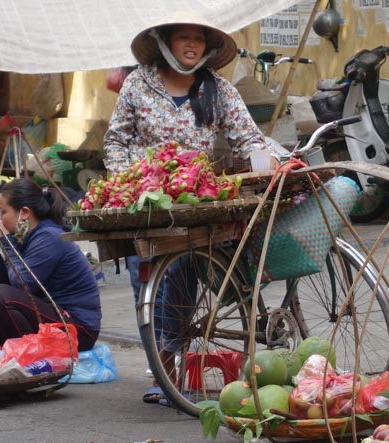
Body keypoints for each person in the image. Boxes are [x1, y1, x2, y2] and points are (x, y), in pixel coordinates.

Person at [102, 10, 273, 404]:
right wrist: (126, 182)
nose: (192, 45)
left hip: (191, 201)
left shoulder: (218, 89)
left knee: (179, 277)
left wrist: (266, 158)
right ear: (165, 43)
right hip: (142, 203)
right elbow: (116, 141)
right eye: (183, 37)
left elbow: (248, 137)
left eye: (199, 38)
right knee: (142, 280)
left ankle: (171, 370)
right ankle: (163, 370)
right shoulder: (137, 85)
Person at [0, 178, 101, 352]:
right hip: (57, 318)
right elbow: (5, 281)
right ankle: (16, 352)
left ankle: (33, 354)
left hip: (79, 329)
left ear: (24, 212)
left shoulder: (49, 237)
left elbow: (21, 284)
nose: (0, 220)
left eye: (3, 212)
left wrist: (5, 241)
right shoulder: (26, 238)